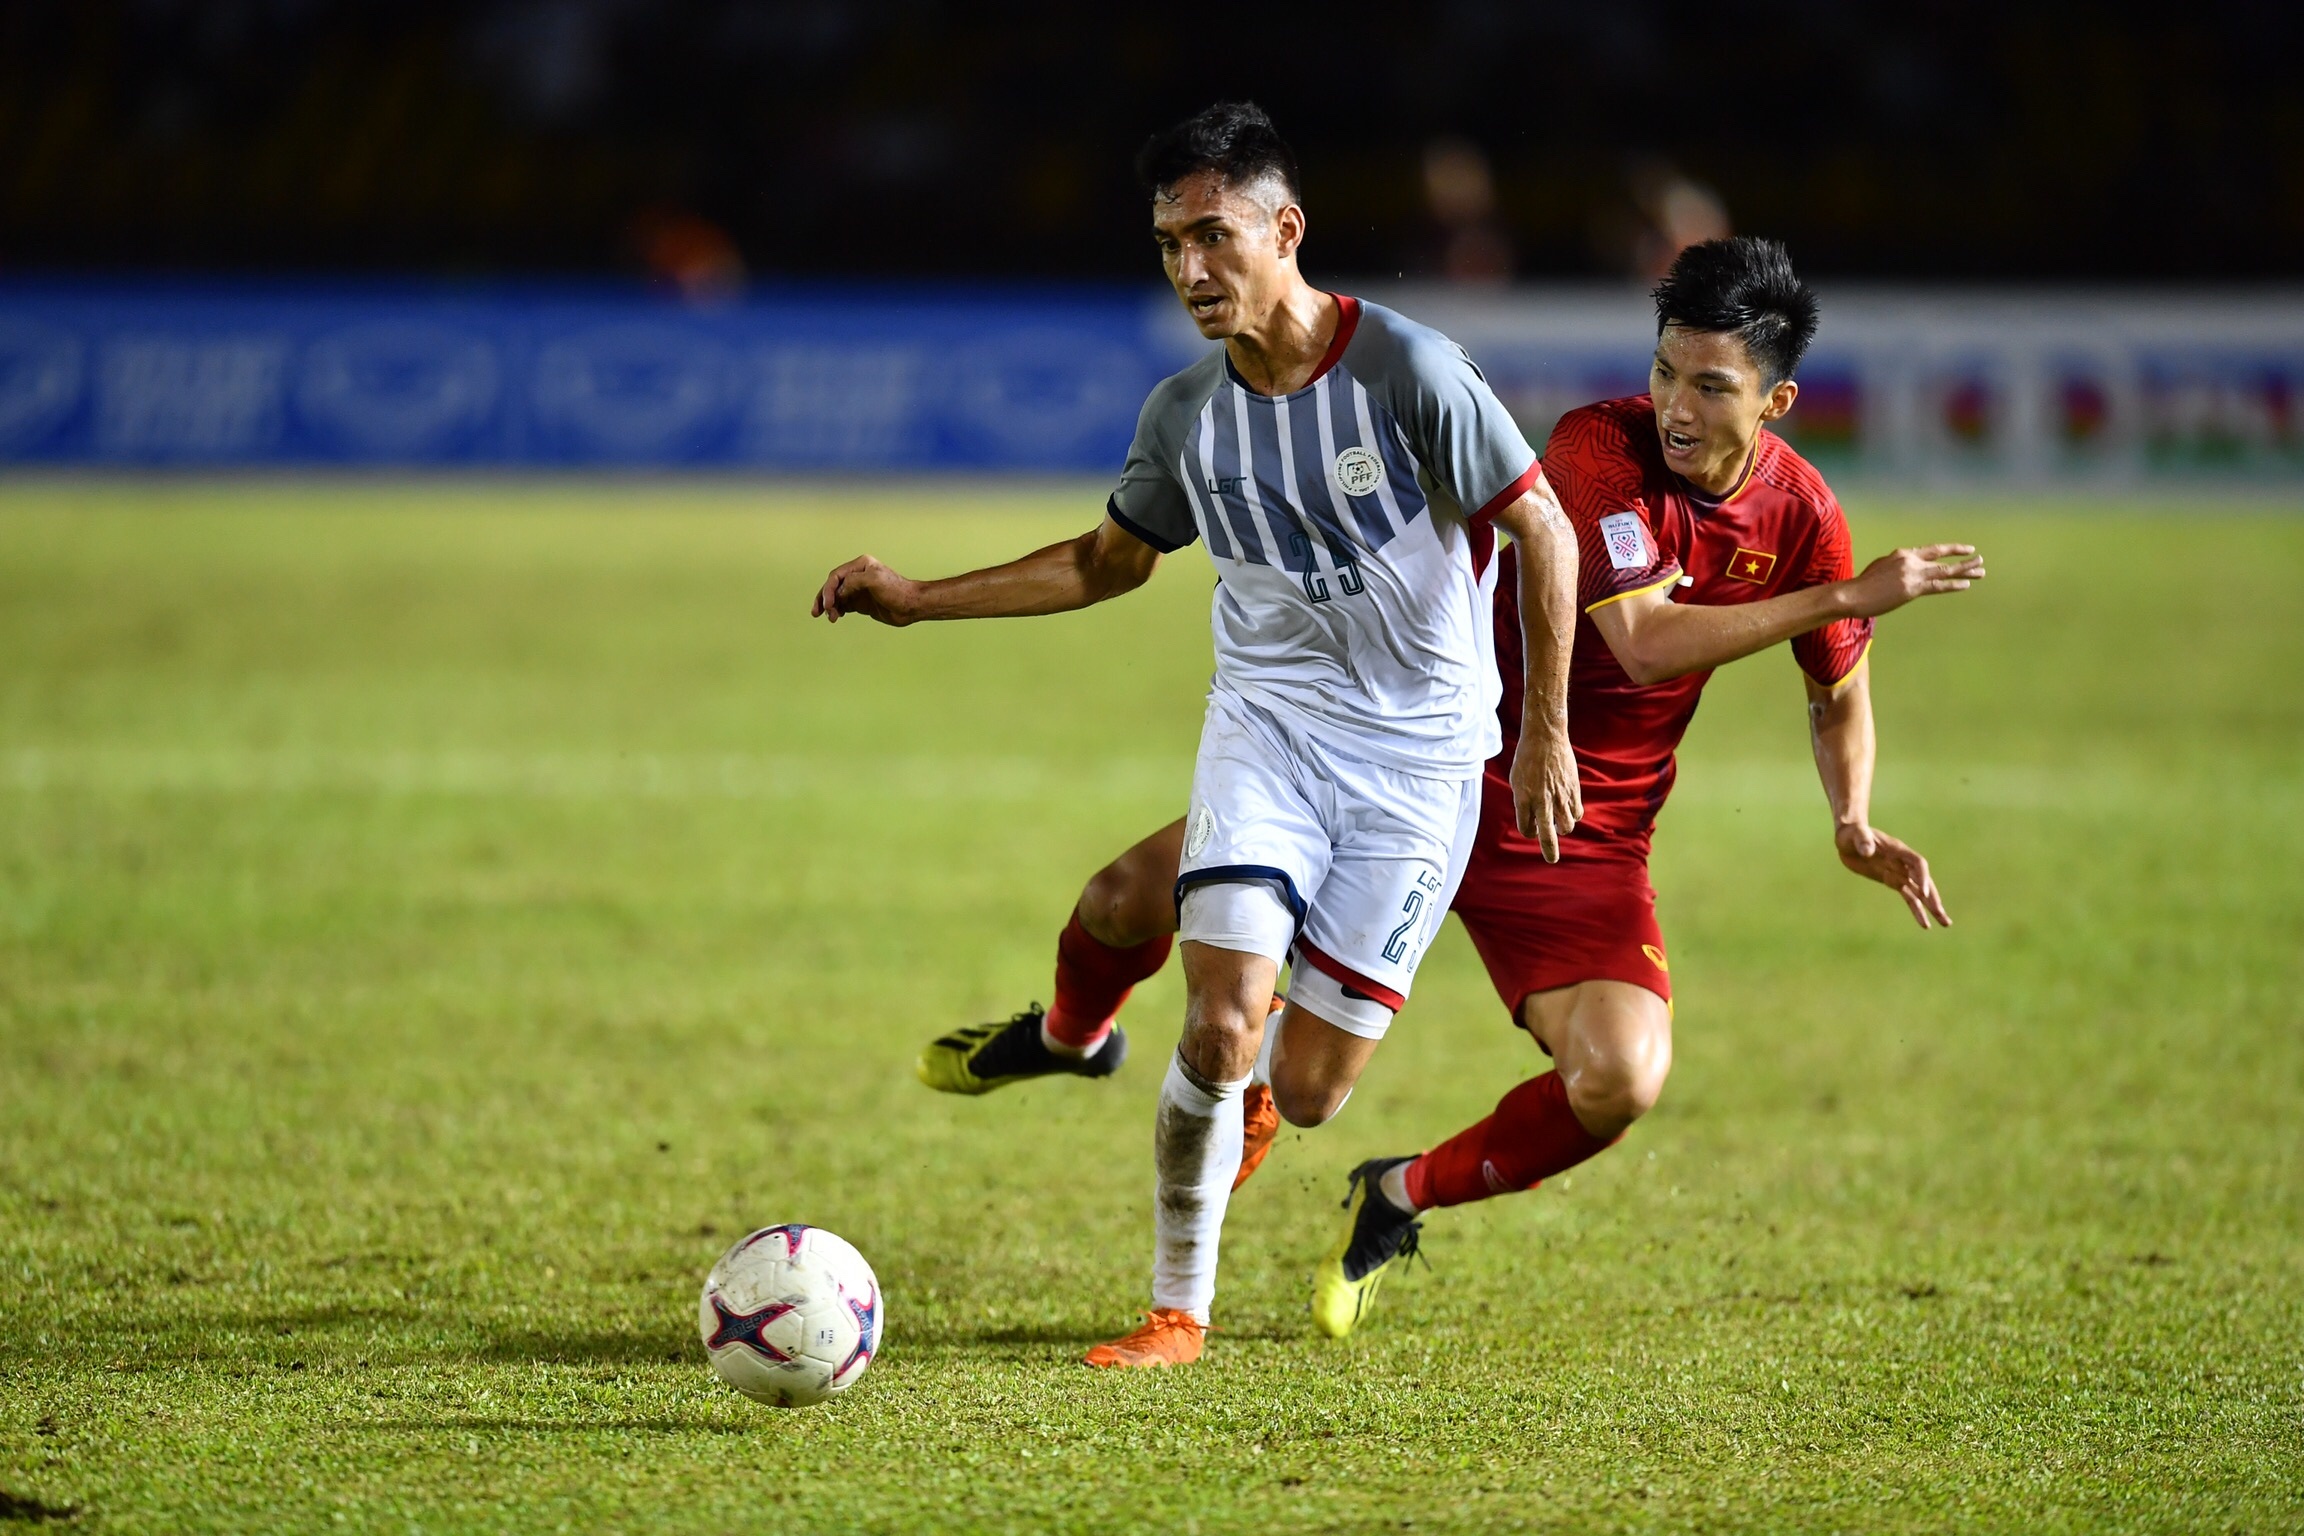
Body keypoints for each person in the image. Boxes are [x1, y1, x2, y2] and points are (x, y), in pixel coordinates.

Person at [914, 236, 1986, 1339]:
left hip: (1580, 829)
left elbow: (1837, 684)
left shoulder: (1801, 514)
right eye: (1666, 370)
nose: (1675, 404)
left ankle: (1395, 1192)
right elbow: (1648, 644)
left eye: (1711, 386)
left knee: (1616, 1077)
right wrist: (1848, 590)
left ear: (1778, 398)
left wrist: (1852, 816)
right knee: (1119, 904)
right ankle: (1068, 1036)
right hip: (1415, 760)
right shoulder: (1597, 451)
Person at [811, 101, 1583, 1369]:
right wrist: (921, 598)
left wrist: (1543, 734)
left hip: (1423, 767)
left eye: (1213, 237)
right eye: (1170, 243)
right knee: (1222, 1022)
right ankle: (1179, 1310)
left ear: (1285, 229)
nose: (1189, 270)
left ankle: (1237, 1096)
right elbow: (1107, 562)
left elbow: (1544, 533)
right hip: (1268, 737)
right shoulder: (1186, 414)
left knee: (1317, 1086)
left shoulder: (1412, 372)